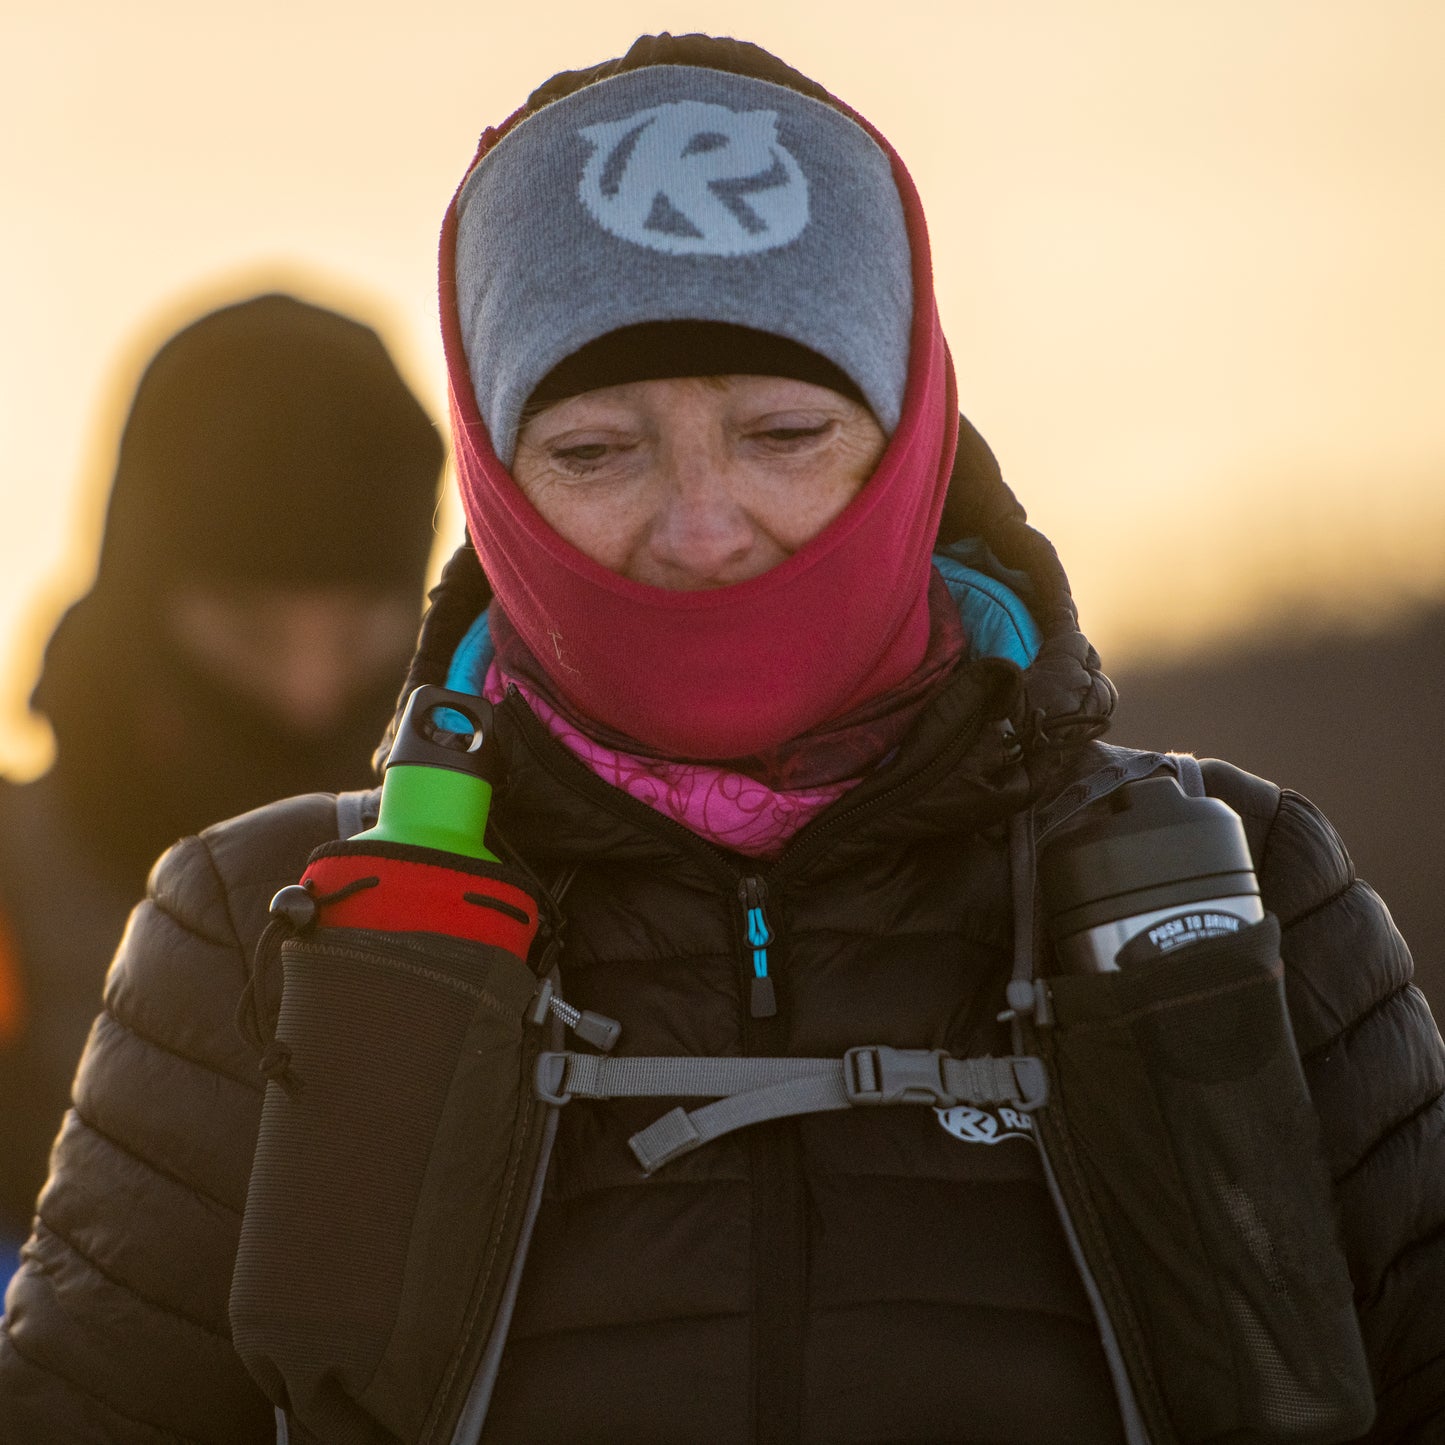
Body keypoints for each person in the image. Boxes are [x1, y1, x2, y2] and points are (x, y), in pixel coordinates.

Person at [2, 34, 1443, 1445]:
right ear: (495, 484)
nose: (702, 529)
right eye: (594, 451)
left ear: (910, 437)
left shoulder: (1242, 896)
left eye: (783, 433)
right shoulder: (258, 933)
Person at [0, 293, 444, 1291]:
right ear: (139, 591)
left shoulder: (523, 903)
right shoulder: (11, 898)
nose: (307, 690)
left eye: (362, 631)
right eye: (249, 630)